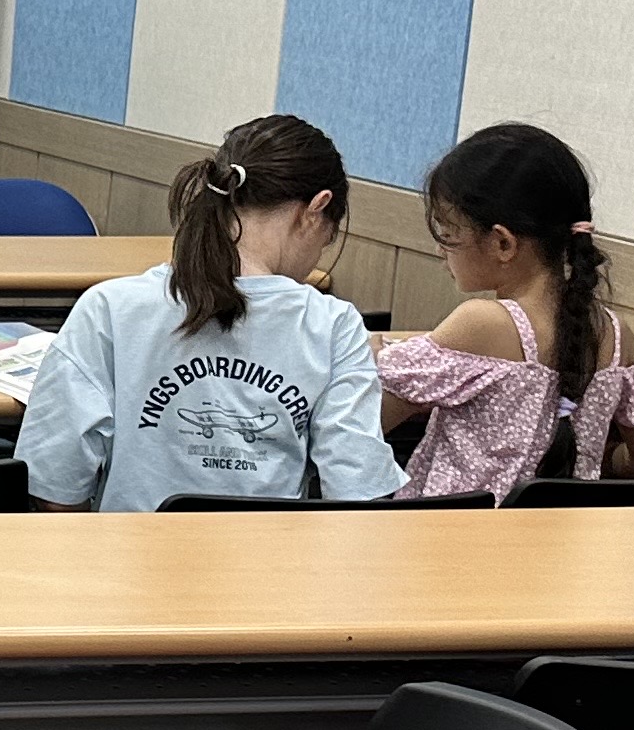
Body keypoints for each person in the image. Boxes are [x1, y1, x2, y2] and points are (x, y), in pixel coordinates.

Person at [21, 115, 399, 511]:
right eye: (327, 238)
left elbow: (54, 489)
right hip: (273, 553)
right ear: (316, 209)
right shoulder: (335, 326)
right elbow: (359, 495)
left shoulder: (108, 308)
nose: (318, 255)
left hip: (130, 551)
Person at [380, 120, 634, 499]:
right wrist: (598, 464)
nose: (441, 249)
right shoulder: (615, 335)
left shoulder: (481, 323)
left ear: (503, 243)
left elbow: (368, 424)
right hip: (562, 535)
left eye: (449, 233)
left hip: (454, 533)